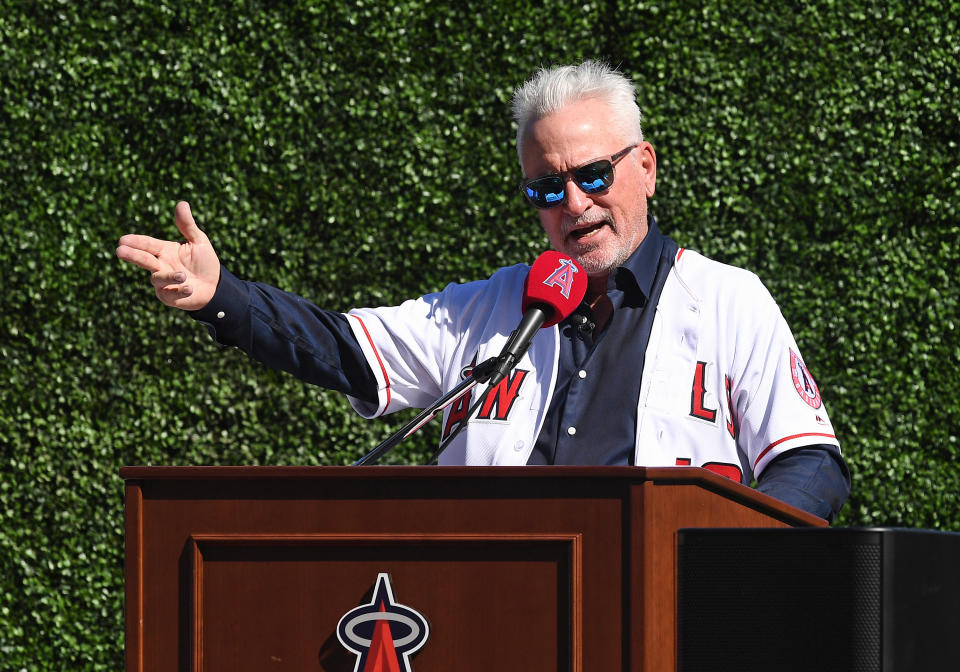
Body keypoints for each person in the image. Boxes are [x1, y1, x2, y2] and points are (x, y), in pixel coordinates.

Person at [117, 61, 850, 521]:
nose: (575, 202)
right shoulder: (491, 310)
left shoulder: (728, 300)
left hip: (663, 627)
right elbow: (343, 349)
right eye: (546, 186)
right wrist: (223, 296)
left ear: (646, 167)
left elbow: (809, 463)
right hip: (488, 617)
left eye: (593, 174)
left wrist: (733, 578)